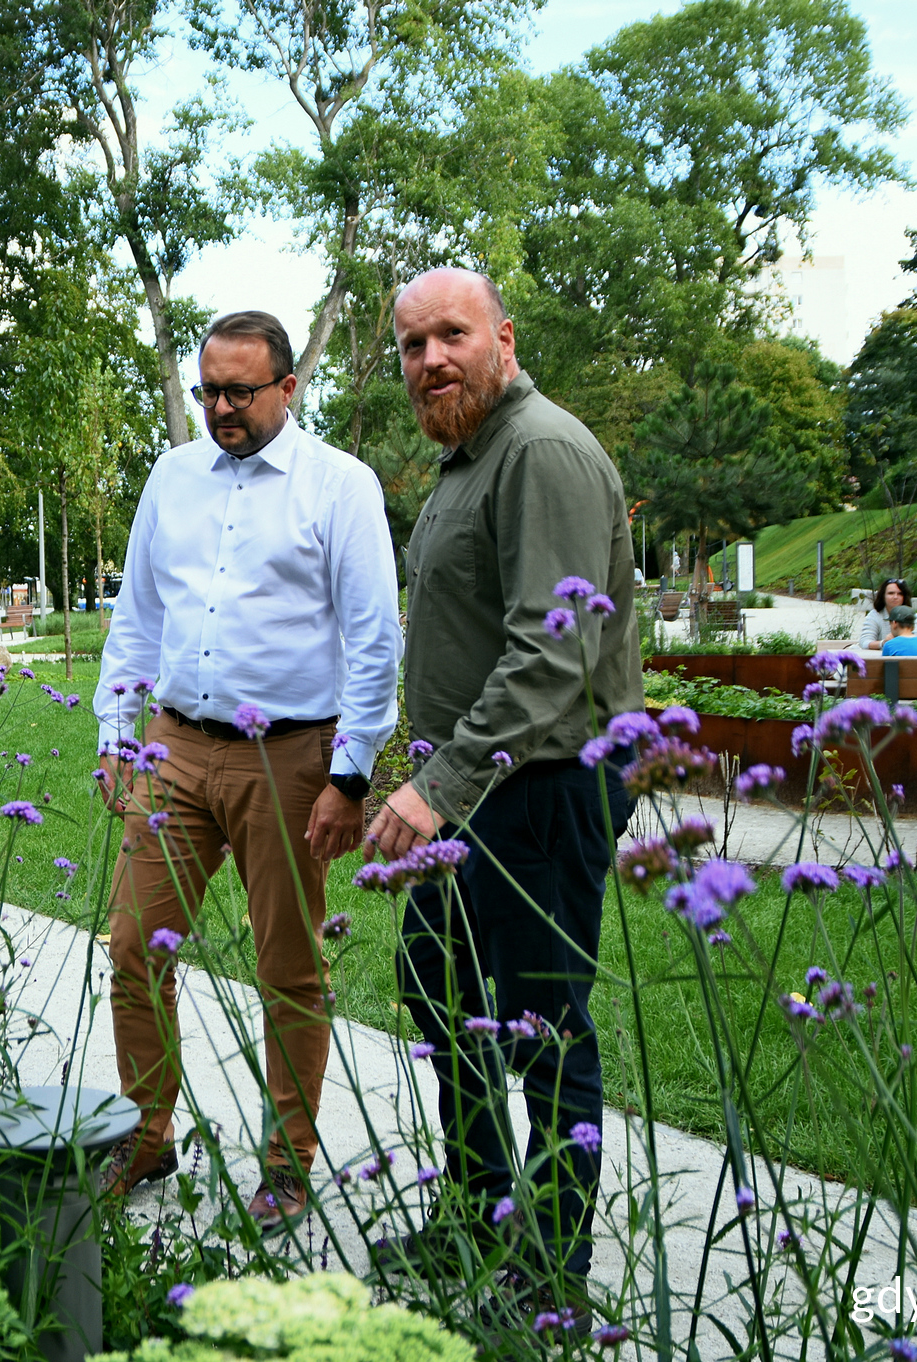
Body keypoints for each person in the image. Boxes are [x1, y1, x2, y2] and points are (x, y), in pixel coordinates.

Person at [363, 268, 641, 1304]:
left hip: (539, 787)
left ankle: (552, 1275)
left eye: (450, 336)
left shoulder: (542, 452)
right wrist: (415, 779)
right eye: (409, 345)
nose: (428, 360)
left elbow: (548, 657)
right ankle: (479, 1219)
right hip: (470, 790)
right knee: (440, 997)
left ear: (503, 340)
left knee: (541, 1029)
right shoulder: (462, 459)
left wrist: (433, 788)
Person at [93, 309, 400, 1231]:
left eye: (240, 392)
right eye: (209, 391)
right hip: (176, 749)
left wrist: (351, 776)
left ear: (288, 387)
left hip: (292, 760)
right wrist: (117, 733)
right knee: (133, 949)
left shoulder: (339, 486)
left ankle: (287, 1162)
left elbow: (375, 638)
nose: (222, 408)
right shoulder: (173, 477)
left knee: (290, 972)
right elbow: (138, 614)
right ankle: (148, 1133)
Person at [858, 579, 910, 650]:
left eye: (900, 594)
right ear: (883, 596)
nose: (895, 597)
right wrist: (883, 643)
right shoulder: (874, 615)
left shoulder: (913, 616)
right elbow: (864, 642)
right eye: (891, 593)